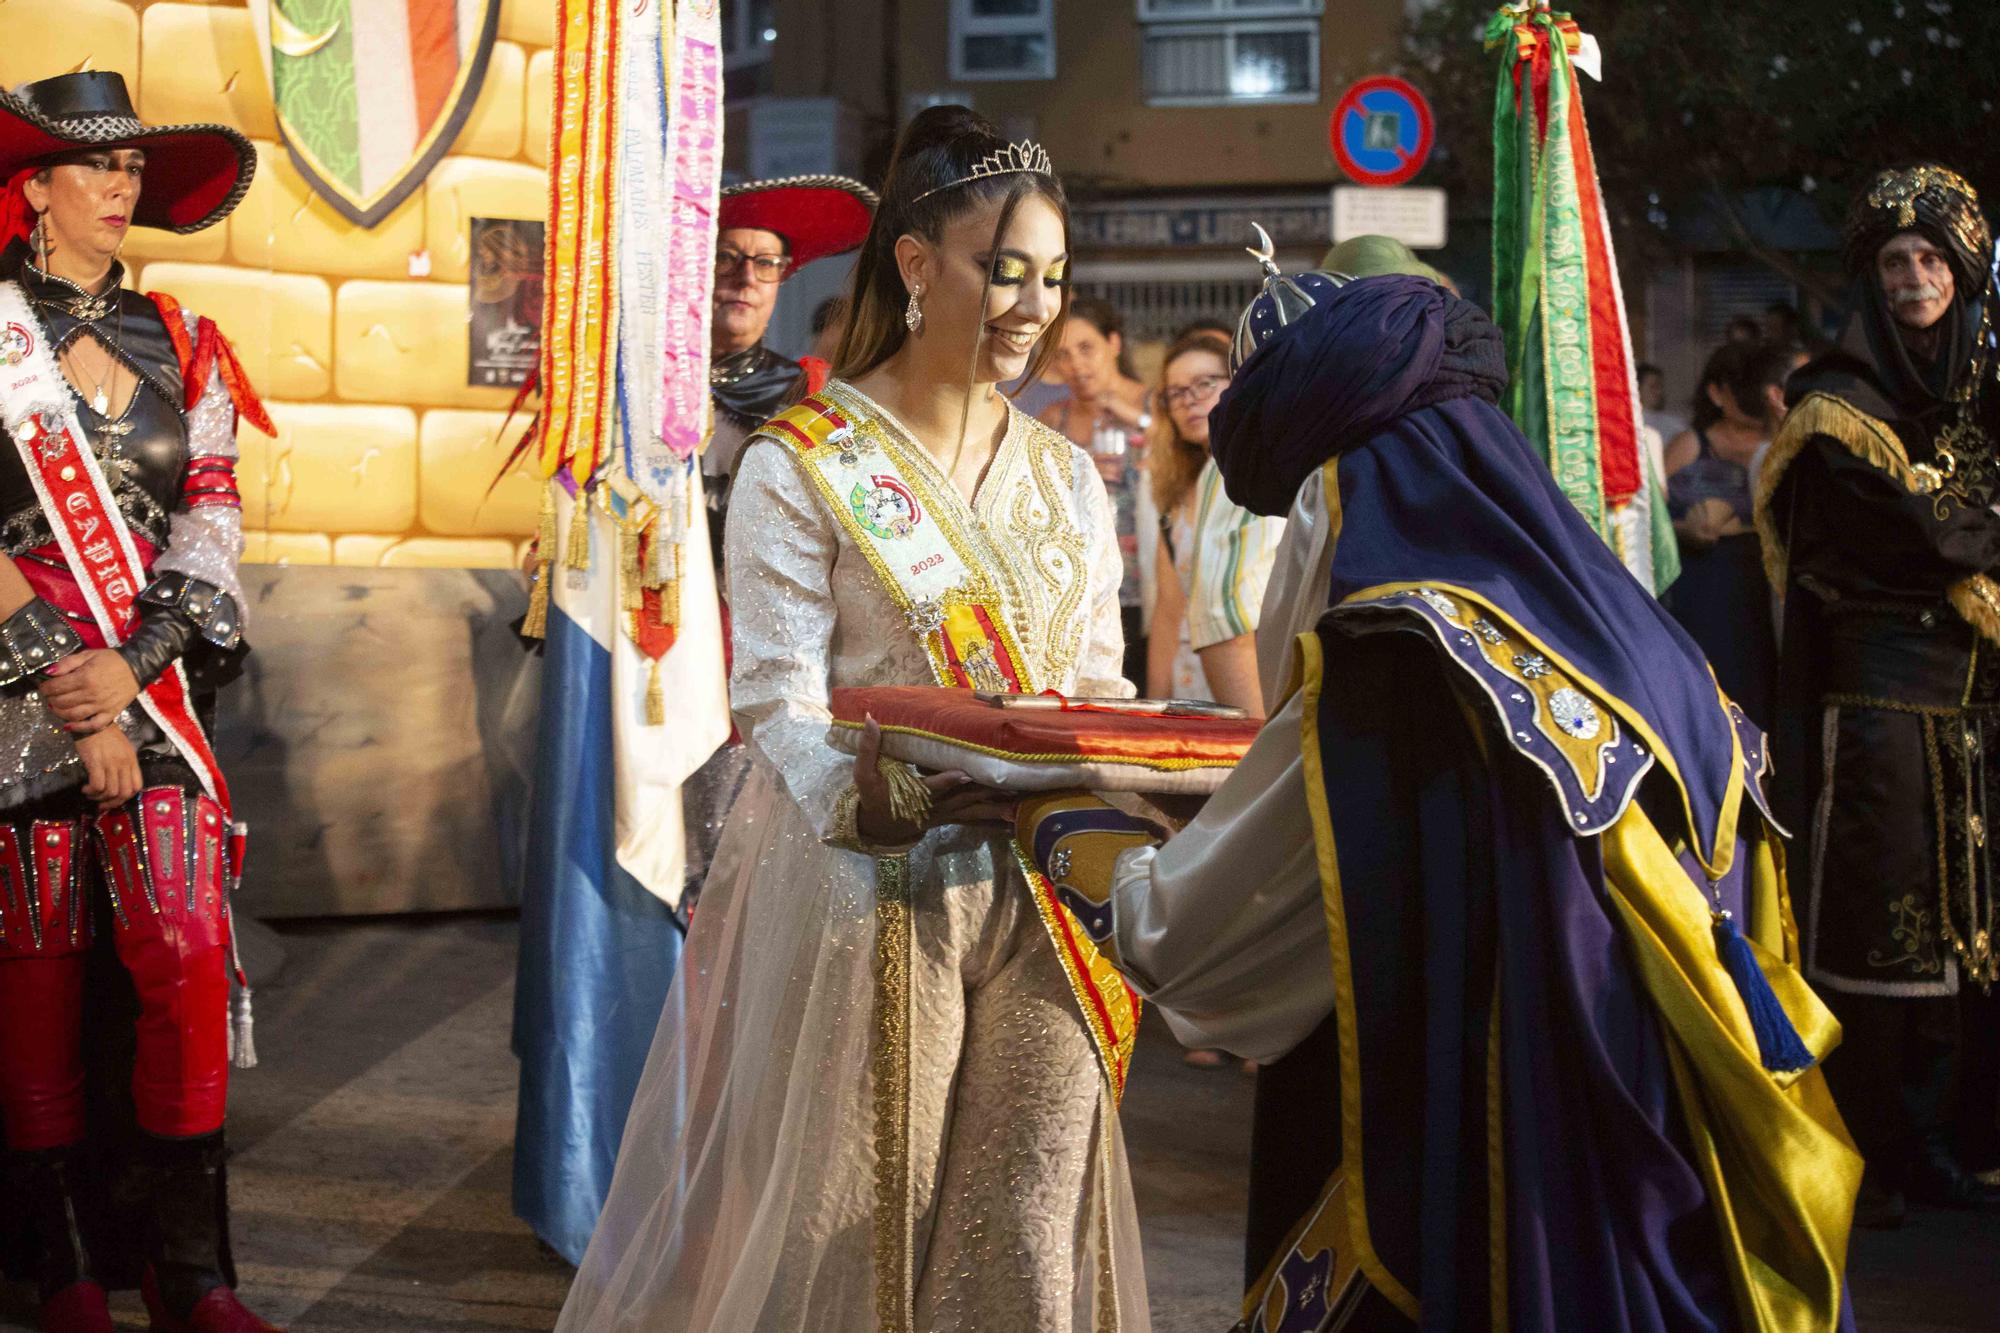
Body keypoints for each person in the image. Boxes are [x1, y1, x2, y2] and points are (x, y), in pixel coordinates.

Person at [1014, 256, 1859, 1325]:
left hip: (1482, 1196)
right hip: (1684, 1207)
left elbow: (1192, 938)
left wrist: (1040, 810)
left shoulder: (1399, 654)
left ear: (1332, 491)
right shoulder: (1651, 647)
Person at [556, 107, 1148, 1332]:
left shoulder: (1067, 476)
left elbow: (1096, 677)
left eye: (1052, 277)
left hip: (1050, 884)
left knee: (1026, 1207)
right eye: (1002, 270)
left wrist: (1144, 763)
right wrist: (869, 794)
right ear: (918, 265)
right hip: (877, 876)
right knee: (870, 1207)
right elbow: (776, 696)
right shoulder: (801, 461)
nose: (1032, 306)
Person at [510, 175, 874, 1265]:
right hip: (651, 697)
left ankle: (742, 1176)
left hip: (769, 717)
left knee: (755, 948)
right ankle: (629, 1169)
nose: (743, 280)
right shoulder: (627, 401)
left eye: (763, 263)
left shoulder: (820, 400)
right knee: (640, 929)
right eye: (724, 257)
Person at [0, 73, 280, 1333]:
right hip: (15, 691)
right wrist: (77, 691)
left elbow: (213, 517)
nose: (121, 187)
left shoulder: (187, 338)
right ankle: (59, 1269)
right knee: (35, 973)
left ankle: (194, 1273)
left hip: (150, 688)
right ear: (34, 185)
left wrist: (140, 662)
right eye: (95, 166)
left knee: (181, 948)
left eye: (131, 170)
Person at [1756, 163, 2000, 1225]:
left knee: (1969, 934)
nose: (1913, 277)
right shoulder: (1834, 409)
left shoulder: (1979, 394)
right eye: (1895, 261)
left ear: (1961, 272)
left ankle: (1944, 1139)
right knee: (1883, 934)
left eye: (1930, 259)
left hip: (1974, 710)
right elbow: (1913, 542)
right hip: (1878, 709)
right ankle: (1864, 1143)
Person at [1145, 329, 1282, 716]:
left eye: (1205, 384)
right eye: (1176, 393)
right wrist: (1155, 709)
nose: (1191, 401)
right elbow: (1168, 612)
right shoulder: (1178, 494)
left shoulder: (1257, 472)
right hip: (1191, 682)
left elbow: (1238, 612)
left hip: (1252, 682)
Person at [1661, 342, 1788, 727]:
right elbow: (1655, 521)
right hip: (1701, 589)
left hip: (1759, 593)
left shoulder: (1783, 445)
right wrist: (1688, 529)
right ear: (1716, 393)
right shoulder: (1689, 445)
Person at [1040, 297, 1152, 683]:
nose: (1077, 365)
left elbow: (1194, 453)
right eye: (1063, 355)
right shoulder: (1055, 419)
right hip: (1086, 585)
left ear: (1114, 343)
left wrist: (1139, 420)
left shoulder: (1156, 403)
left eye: (1087, 349)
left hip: (1154, 577)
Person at [1639, 361, 1689, 445]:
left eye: (1660, 386)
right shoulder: (1627, 424)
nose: (1658, 391)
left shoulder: (1674, 423)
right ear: (1637, 388)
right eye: (1653, 386)